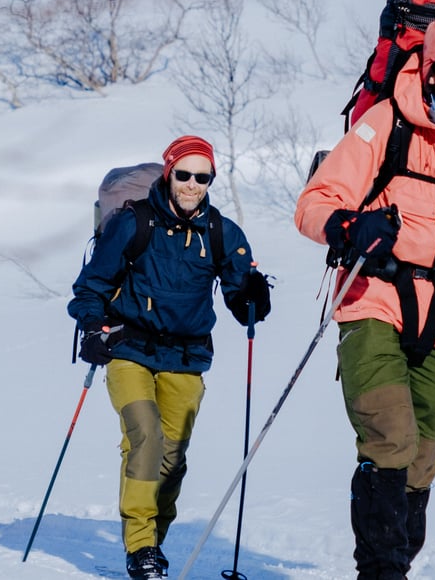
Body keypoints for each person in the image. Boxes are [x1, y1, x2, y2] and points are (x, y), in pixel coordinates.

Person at [295, 15, 435, 580]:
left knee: (425, 454)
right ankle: (381, 572)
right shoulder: (387, 125)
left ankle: (395, 561)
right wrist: (347, 227)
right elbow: (314, 203)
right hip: (375, 296)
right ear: (432, 70)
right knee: (391, 436)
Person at [68, 136, 271, 580]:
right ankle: (139, 546)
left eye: (203, 177)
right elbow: (90, 286)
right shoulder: (132, 223)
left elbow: (243, 301)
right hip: (129, 350)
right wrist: (92, 326)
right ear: (169, 173)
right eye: (184, 174)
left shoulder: (221, 233)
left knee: (172, 457)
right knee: (145, 436)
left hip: (187, 356)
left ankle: (153, 542)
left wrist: (254, 297)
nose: (192, 185)